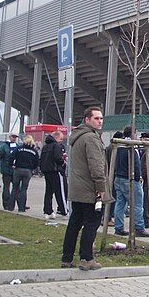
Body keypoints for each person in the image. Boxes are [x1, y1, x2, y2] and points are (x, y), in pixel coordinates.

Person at [61, 106, 109, 271]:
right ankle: (86, 258)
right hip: (90, 189)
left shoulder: (78, 137)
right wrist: (101, 187)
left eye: (101, 118)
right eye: (96, 118)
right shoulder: (91, 138)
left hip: (78, 188)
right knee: (91, 223)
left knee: (74, 223)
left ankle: (67, 258)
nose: (100, 121)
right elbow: (97, 166)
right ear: (87, 120)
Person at [114, 127, 149, 238]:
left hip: (118, 177)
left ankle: (118, 227)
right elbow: (136, 165)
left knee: (120, 204)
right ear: (132, 134)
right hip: (130, 179)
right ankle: (139, 227)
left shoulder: (119, 147)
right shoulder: (131, 148)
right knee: (137, 204)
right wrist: (138, 178)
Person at [40, 131, 68, 219]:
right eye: (61, 139)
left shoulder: (45, 147)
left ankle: (47, 211)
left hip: (47, 171)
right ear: (56, 138)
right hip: (56, 171)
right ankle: (64, 211)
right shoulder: (56, 146)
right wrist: (63, 161)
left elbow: (41, 159)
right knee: (61, 192)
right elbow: (57, 157)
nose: (61, 141)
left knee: (48, 192)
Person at [9, 135, 39, 212]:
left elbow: (11, 157)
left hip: (18, 169)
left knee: (15, 188)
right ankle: (22, 208)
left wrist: (12, 165)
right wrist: (32, 168)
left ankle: (10, 207)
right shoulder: (34, 151)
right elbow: (37, 162)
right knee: (24, 189)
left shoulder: (19, 149)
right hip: (28, 171)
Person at [0, 132, 19, 210]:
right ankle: (6, 204)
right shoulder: (4, 146)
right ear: (10, 137)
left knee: (16, 187)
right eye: (13, 137)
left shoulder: (17, 146)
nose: (14, 138)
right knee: (6, 187)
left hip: (15, 171)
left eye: (15, 137)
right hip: (6, 170)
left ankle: (20, 203)